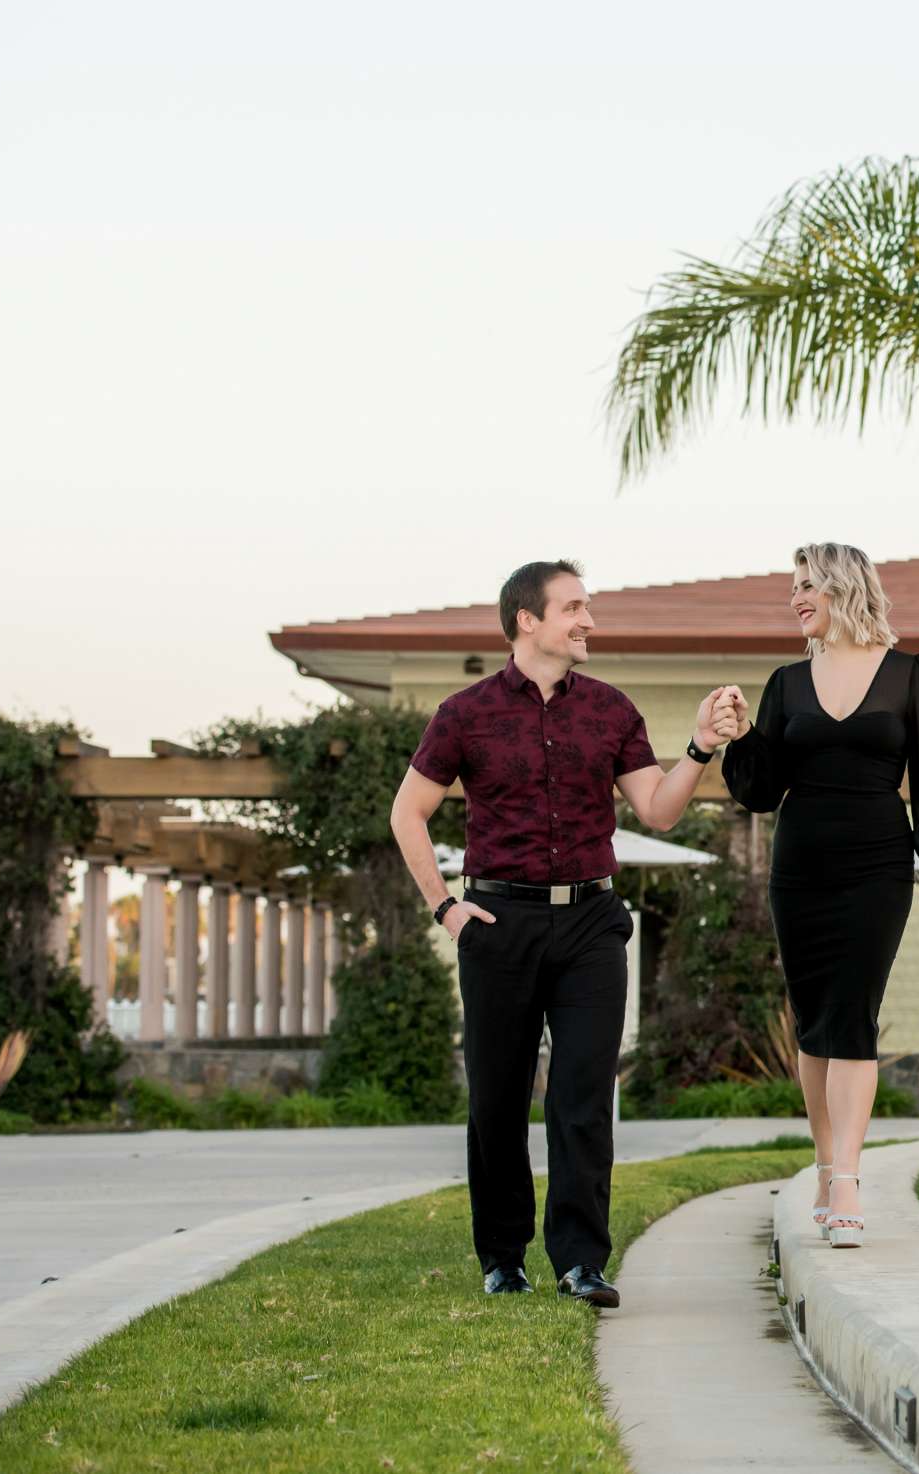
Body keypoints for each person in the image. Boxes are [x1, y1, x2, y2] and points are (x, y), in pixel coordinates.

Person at [388, 559, 736, 1305]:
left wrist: (701, 746)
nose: (588, 621)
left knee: (582, 1095)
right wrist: (445, 907)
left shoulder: (611, 710)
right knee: (498, 1099)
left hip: (590, 924)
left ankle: (581, 1262)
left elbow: (659, 810)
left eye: (588, 607)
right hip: (497, 922)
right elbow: (407, 812)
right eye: (574, 607)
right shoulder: (464, 714)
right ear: (527, 620)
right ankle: (502, 1260)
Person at [714, 542, 919, 1247]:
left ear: (842, 587)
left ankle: (846, 1183)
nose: (795, 598)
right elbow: (761, 790)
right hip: (799, 864)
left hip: (876, 864)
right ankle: (826, 1161)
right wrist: (742, 736)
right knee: (813, 1022)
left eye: (807, 585)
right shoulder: (784, 682)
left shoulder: (908, 675)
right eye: (793, 587)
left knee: (852, 1016)